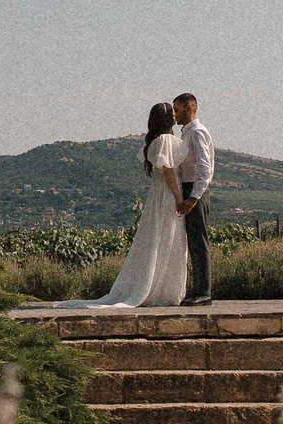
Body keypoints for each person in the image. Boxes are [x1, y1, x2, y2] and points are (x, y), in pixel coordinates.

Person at [58, 103, 190, 308]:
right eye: (172, 113)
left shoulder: (154, 141)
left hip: (158, 195)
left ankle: (160, 288)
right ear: (165, 118)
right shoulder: (165, 140)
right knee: (168, 238)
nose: (175, 115)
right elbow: (168, 171)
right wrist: (178, 197)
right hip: (167, 195)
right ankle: (162, 291)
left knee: (161, 238)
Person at [171, 92, 215, 305]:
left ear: (189, 108)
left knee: (199, 240)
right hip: (189, 188)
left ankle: (203, 292)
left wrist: (194, 197)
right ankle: (197, 289)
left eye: (177, 109)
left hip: (195, 189)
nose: (174, 114)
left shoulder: (197, 132)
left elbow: (205, 168)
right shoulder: (186, 133)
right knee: (193, 240)